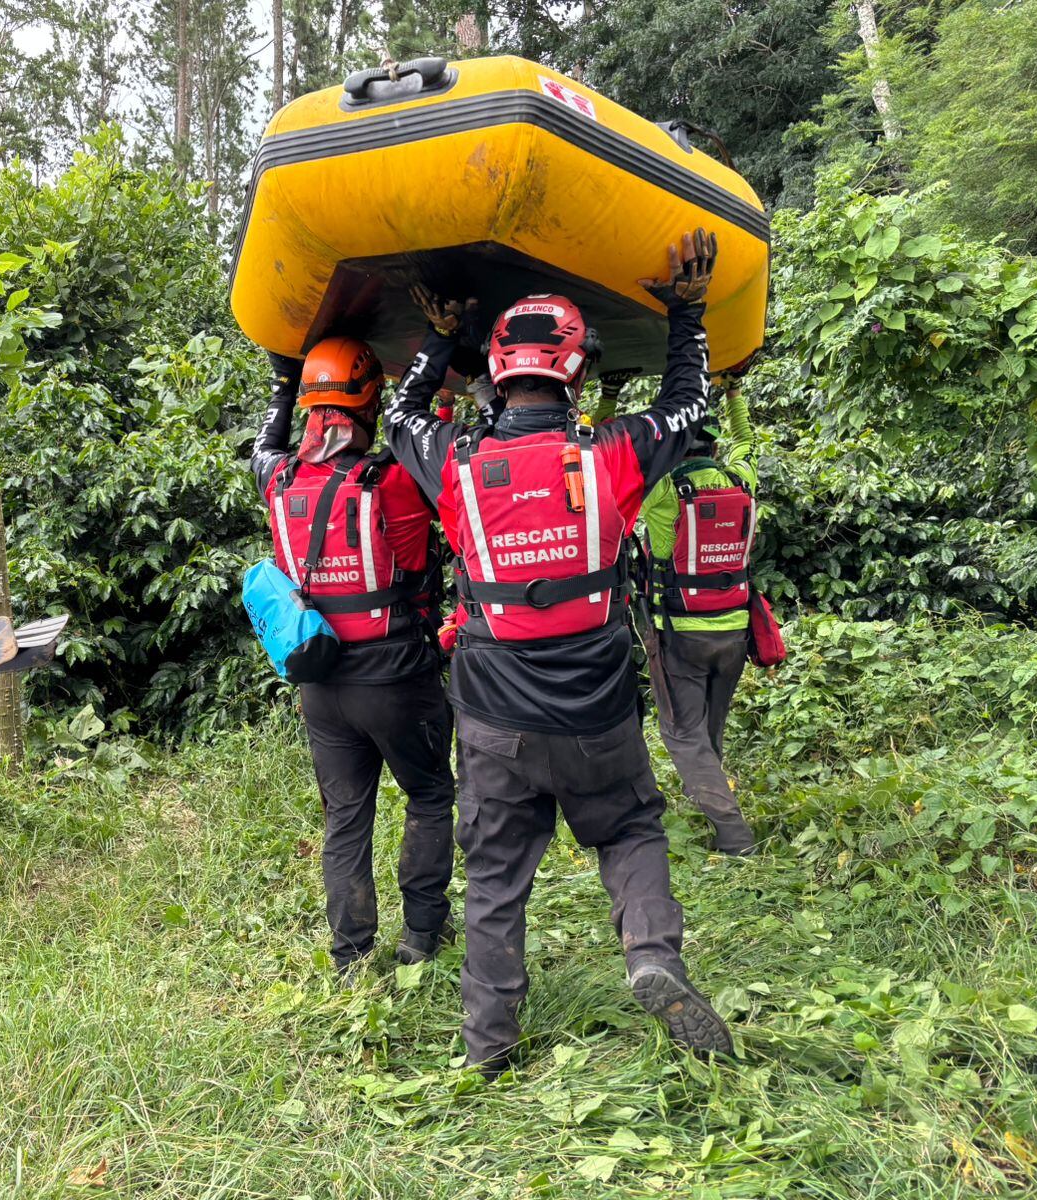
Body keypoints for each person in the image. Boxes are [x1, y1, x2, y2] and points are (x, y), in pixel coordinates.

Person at [383, 230, 735, 1074]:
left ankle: (487, 1047)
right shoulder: (611, 454)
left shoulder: (454, 464)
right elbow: (689, 408)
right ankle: (652, 955)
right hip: (596, 713)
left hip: (496, 718)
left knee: (497, 876)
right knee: (628, 831)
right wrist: (685, 314)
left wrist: (437, 341)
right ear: (576, 374)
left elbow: (397, 417)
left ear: (497, 373)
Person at [251, 338, 456, 979]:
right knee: (428, 796)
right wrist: (437, 347)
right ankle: (422, 933)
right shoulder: (392, 481)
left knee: (345, 817)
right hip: (395, 674)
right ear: (369, 403)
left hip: (321, 680)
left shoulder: (278, 479)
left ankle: (350, 957)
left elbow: (265, 444)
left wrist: (284, 382)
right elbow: (430, 455)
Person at [640, 365, 760, 855]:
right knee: (710, 726)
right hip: (734, 631)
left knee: (682, 734)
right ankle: (709, 803)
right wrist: (734, 393)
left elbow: (614, 465)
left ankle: (733, 833)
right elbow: (748, 445)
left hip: (680, 636)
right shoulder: (743, 482)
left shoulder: (663, 493)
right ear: (713, 448)